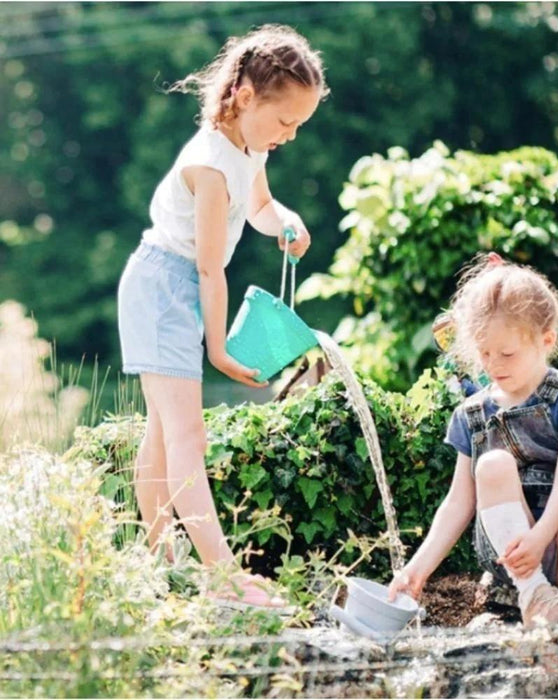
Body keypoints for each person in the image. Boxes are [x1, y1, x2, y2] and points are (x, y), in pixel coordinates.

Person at [117, 24, 328, 608]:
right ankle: (222, 576)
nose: (289, 135)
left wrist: (285, 219)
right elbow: (211, 270)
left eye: (299, 126)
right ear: (244, 97)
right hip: (165, 286)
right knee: (188, 431)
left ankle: (159, 564)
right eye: (285, 121)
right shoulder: (209, 165)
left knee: (164, 432)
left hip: (176, 283)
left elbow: (257, 204)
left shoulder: (249, 149)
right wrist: (219, 350)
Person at [389, 252, 558, 637]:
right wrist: (415, 570)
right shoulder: (472, 414)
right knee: (491, 465)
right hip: (515, 561)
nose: (494, 364)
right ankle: (536, 600)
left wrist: (541, 536)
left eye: (507, 353)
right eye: (483, 353)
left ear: (546, 340)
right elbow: (458, 504)